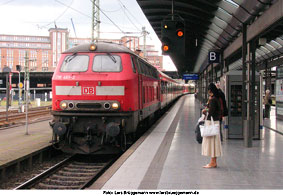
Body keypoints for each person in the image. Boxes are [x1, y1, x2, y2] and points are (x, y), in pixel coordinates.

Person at [201, 83, 222, 168]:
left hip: (211, 123)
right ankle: (213, 161)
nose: (209, 93)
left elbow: (211, 112)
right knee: (214, 143)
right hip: (216, 122)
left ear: (211, 91)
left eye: (209, 91)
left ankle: (213, 162)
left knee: (211, 143)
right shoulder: (217, 99)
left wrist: (205, 111)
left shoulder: (213, 100)